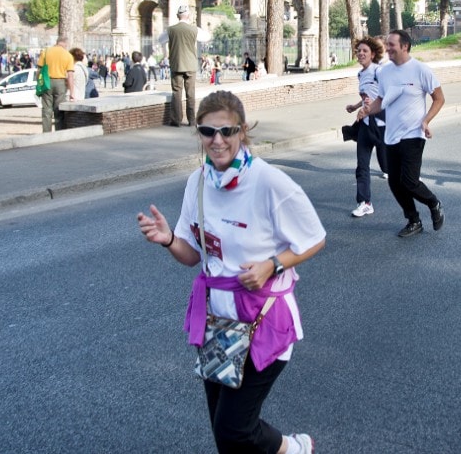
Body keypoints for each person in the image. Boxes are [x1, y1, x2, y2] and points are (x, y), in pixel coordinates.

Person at [136, 90, 324, 454]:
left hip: (263, 319)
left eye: (227, 131)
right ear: (199, 134)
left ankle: (293, 448)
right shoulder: (198, 183)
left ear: (242, 132)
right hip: (218, 323)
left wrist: (273, 265)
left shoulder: (269, 182)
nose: (217, 140)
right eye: (208, 132)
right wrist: (168, 239)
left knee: (234, 429)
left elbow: (315, 238)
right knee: (225, 432)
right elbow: (192, 257)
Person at [359, 29, 445, 237]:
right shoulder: (385, 72)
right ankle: (413, 220)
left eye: (391, 45)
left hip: (414, 134)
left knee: (409, 181)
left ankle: (433, 203)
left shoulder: (420, 70)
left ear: (404, 46)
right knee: (394, 183)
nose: (387, 48)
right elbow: (381, 99)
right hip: (391, 135)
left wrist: (426, 120)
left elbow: (439, 98)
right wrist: (366, 110)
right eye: (387, 44)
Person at [345, 37, 389, 218]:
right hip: (365, 125)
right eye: (359, 51)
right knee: (362, 165)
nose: (361, 53)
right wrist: (356, 107)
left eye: (365, 51)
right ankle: (365, 202)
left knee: (387, 161)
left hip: (381, 124)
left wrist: (370, 108)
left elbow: (387, 96)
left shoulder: (379, 71)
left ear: (373, 54)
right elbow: (367, 97)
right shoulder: (361, 74)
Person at [158, 5, 211, 126]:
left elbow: (160, 39)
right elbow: (207, 37)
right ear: (188, 16)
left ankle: (176, 120)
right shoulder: (194, 29)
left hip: (176, 64)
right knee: (190, 93)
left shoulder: (171, 30)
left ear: (177, 16)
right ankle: (192, 120)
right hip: (191, 65)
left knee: (177, 92)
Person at [39, 37, 76, 132]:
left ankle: (46, 133)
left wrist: (39, 85)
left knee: (46, 110)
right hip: (60, 83)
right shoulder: (68, 55)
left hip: (47, 82)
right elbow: (70, 75)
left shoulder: (46, 52)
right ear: (64, 43)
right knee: (59, 110)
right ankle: (59, 132)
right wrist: (72, 92)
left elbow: (39, 71)